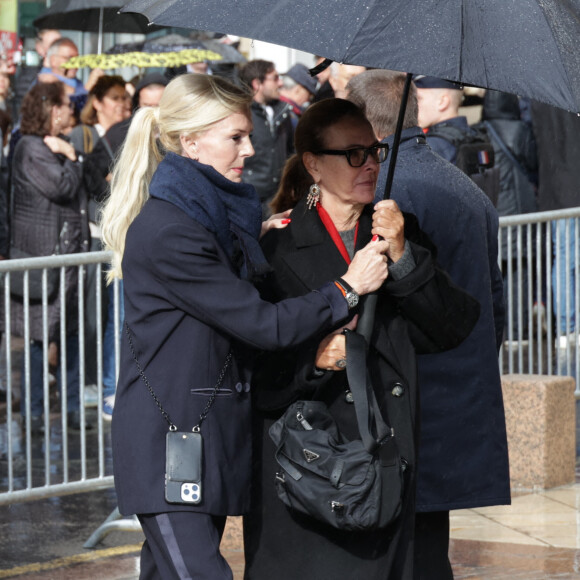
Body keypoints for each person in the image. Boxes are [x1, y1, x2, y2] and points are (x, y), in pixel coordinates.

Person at [99, 73, 391, 579]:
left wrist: (249, 237)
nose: (250, 149)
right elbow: (263, 324)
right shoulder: (172, 230)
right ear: (191, 141)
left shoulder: (207, 218)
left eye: (248, 135)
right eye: (235, 137)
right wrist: (347, 286)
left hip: (200, 438)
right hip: (170, 443)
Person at [242, 98, 480, 580]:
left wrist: (405, 257)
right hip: (313, 468)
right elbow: (252, 365)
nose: (370, 164)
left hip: (385, 460)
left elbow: (451, 328)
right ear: (313, 163)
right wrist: (314, 359)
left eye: (374, 151)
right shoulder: (276, 245)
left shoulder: (396, 230)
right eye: (353, 154)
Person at [347, 69, 509, 579]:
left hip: (411, 403)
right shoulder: (462, 186)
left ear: (364, 128)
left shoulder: (391, 195)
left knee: (406, 556)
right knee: (427, 550)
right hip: (455, 397)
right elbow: (495, 306)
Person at [83, 72, 169, 420]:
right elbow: (91, 178)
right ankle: (112, 389)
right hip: (130, 248)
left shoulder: (162, 143)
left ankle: (120, 390)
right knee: (120, 321)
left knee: (128, 321)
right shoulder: (121, 139)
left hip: (142, 247)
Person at [10, 81, 90, 434]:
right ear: (51, 109)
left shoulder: (58, 145)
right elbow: (63, 187)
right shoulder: (30, 147)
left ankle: (71, 409)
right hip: (44, 260)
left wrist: (71, 154)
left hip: (68, 257)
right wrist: (73, 158)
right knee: (39, 337)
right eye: (65, 105)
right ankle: (33, 413)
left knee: (70, 336)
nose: (71, 111)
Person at [480, 90, 539, 340]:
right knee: (519, 273)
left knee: (494, 274)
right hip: (517, 211)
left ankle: (498, 332)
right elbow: (534, 163)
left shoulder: (478, 130)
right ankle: (517, 332)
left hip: (493, 210)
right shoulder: (519, 130)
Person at [239, 59, 294, 216]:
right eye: (275, 78)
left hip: (279, 197)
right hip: (251, 198)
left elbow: (291, 150)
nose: (281, 83)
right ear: (257, 83)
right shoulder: (242, 114)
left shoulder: (282, 111)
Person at [279, 63, 317, 129]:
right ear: (298, 90)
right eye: (309, 95)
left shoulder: (269, 104)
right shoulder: (290, 117)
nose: (308, 100)